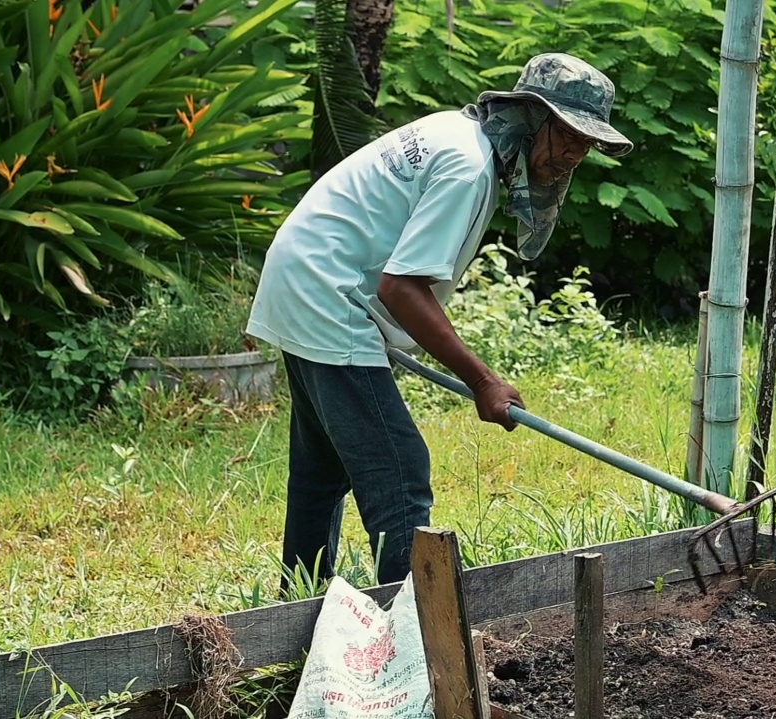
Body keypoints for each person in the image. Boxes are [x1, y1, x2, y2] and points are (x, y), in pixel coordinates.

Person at [246, 53, 634, 592]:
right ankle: (418, 639)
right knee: (401, 477)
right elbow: (402, 288)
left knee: (323, 469)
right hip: (327, 297)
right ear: (529, 116)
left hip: (304, 278)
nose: (575, 153)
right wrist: (483, 380)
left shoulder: (457, 135)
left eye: (586, 143)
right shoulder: (468, 168)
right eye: (567, 133)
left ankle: (297, 611)